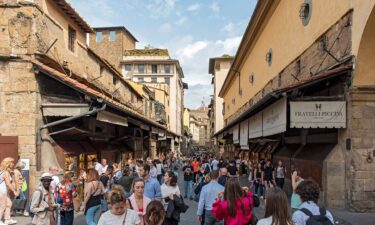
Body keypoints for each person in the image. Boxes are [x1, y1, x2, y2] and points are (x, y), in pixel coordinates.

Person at [0, 157, 18, 225]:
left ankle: (7, 219)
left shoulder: (3, 171)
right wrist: (14, 191)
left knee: (9, 203)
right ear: (8, 163)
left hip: (3, 191)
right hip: (2, 191)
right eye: (12, 162)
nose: (13, 164)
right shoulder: (5, 172)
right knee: (3, 205)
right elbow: (8, 183)